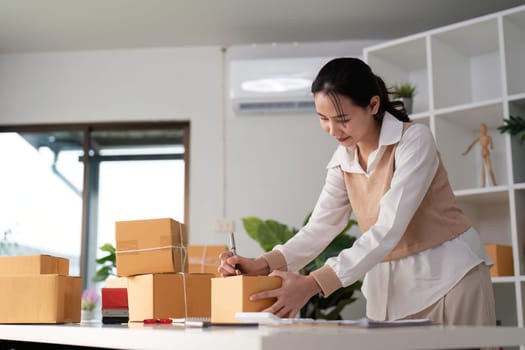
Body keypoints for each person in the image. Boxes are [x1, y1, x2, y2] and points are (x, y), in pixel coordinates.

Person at [219, 57, 496, 326]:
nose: (332, 130)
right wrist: (262, 264)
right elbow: (320, 227)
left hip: (449, 277)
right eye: (323, 119)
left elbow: (389, 227)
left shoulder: (414, 140)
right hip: (392, 289)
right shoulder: (343, 160)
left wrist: (314, 283)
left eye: (342, 119)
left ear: (373, 105)